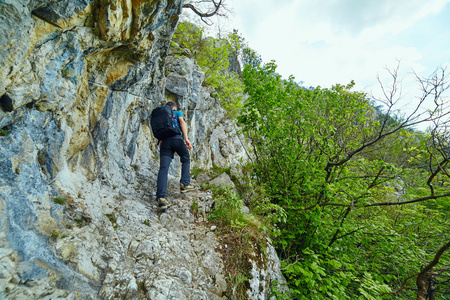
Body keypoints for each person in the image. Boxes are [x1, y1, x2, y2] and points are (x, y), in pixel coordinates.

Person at [156, 101, 195, 212]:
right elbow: (182, 123)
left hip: (164, 143)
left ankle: (161, 198)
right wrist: (186, 139)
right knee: (185, 159)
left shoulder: (161, 116)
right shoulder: (177, 113)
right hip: (176, 139)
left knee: (163, 169)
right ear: (174, 107)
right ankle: (184, 184)